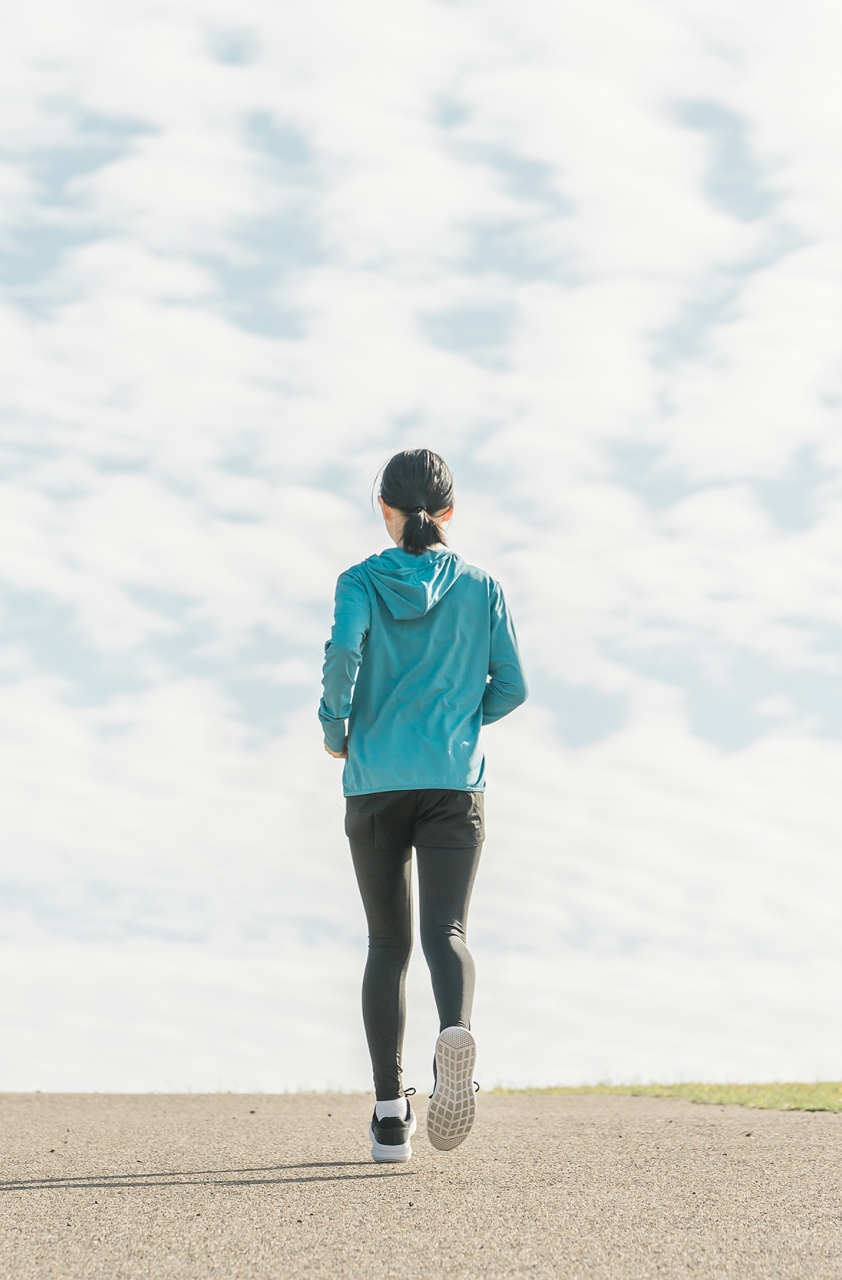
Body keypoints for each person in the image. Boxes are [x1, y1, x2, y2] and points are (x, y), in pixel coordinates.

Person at [319, 448, 527, 1163]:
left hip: (376, 781)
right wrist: (460, 723)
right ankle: (456, 1035)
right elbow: (512, 685)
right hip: (452, 783)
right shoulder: (483, 587)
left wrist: (335, 729)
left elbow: (344, 654)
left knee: (387, 944)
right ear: (449, 511)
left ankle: (387, 1119)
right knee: (448, 932)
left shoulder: (360, 581)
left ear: (383, 510)